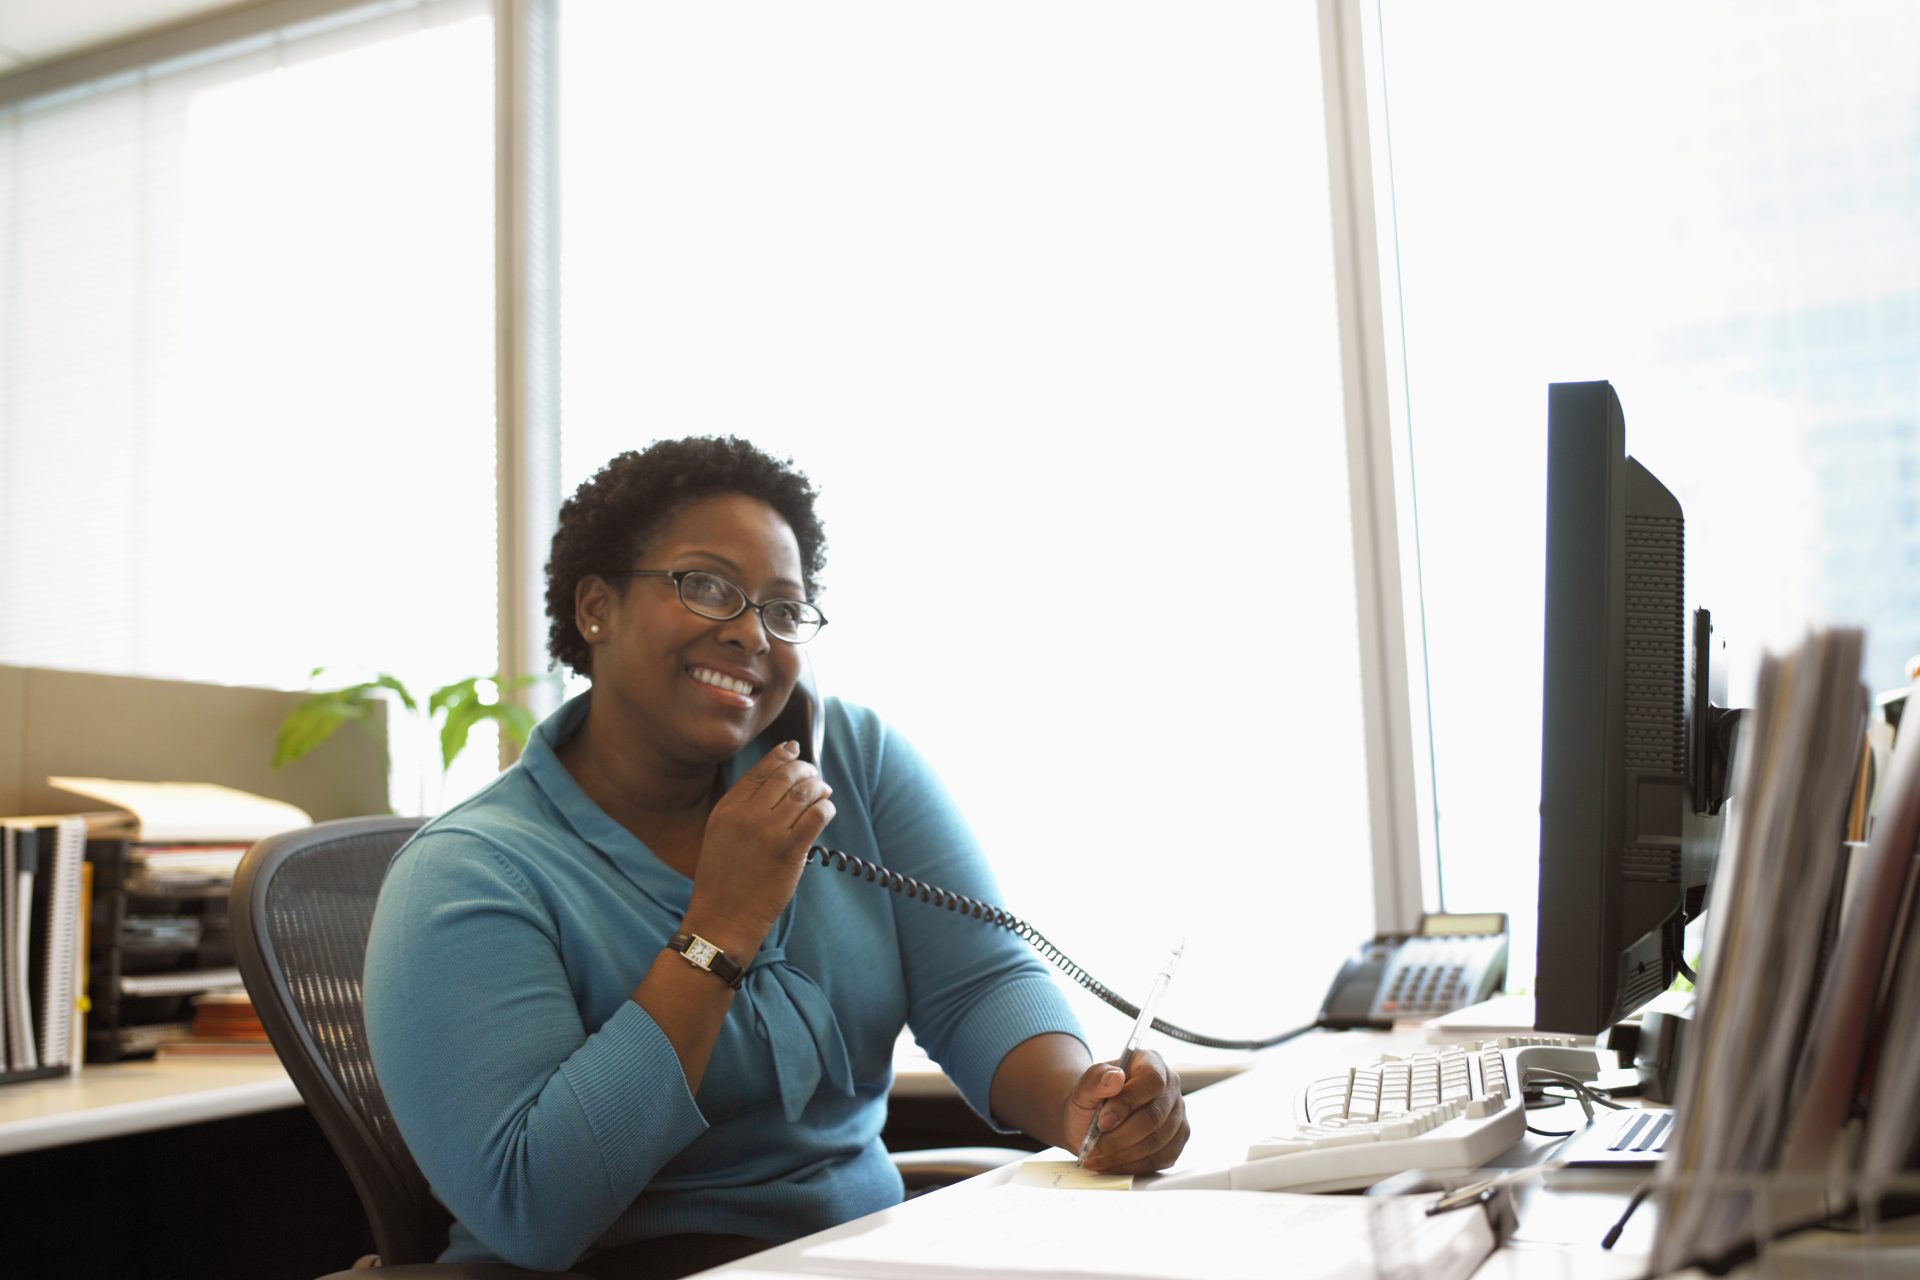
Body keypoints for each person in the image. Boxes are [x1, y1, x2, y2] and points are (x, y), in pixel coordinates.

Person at [363, 436, 1189, 1278]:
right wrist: (723, 923)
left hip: (864, 1256)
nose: (751, 634)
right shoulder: (468, 875)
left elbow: (979, 983)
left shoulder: (849, 763)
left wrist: (1081, 1107)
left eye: (783, 609)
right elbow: (533, 1209)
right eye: (709, 587)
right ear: (595, 608)